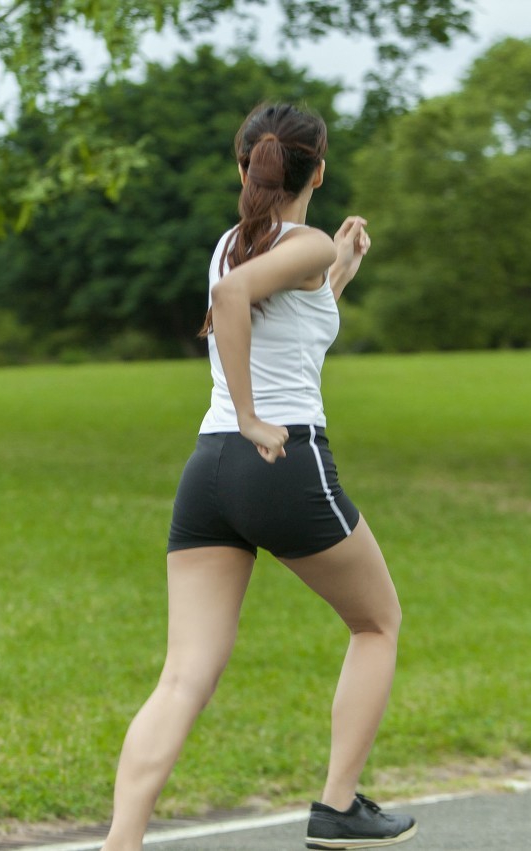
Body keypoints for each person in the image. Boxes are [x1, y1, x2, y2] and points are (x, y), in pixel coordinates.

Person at [99, 102, 417, 851]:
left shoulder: (234, 244)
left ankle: (120, 843)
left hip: (208, 472)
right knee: (378, 624)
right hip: (278, 457)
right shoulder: (295, 247)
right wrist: (250, 415)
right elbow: (235, 301)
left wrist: (341, 269)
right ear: (320, 170)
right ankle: (338, 808)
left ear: (244, 166)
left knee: (184, 675)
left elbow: (285, 328)